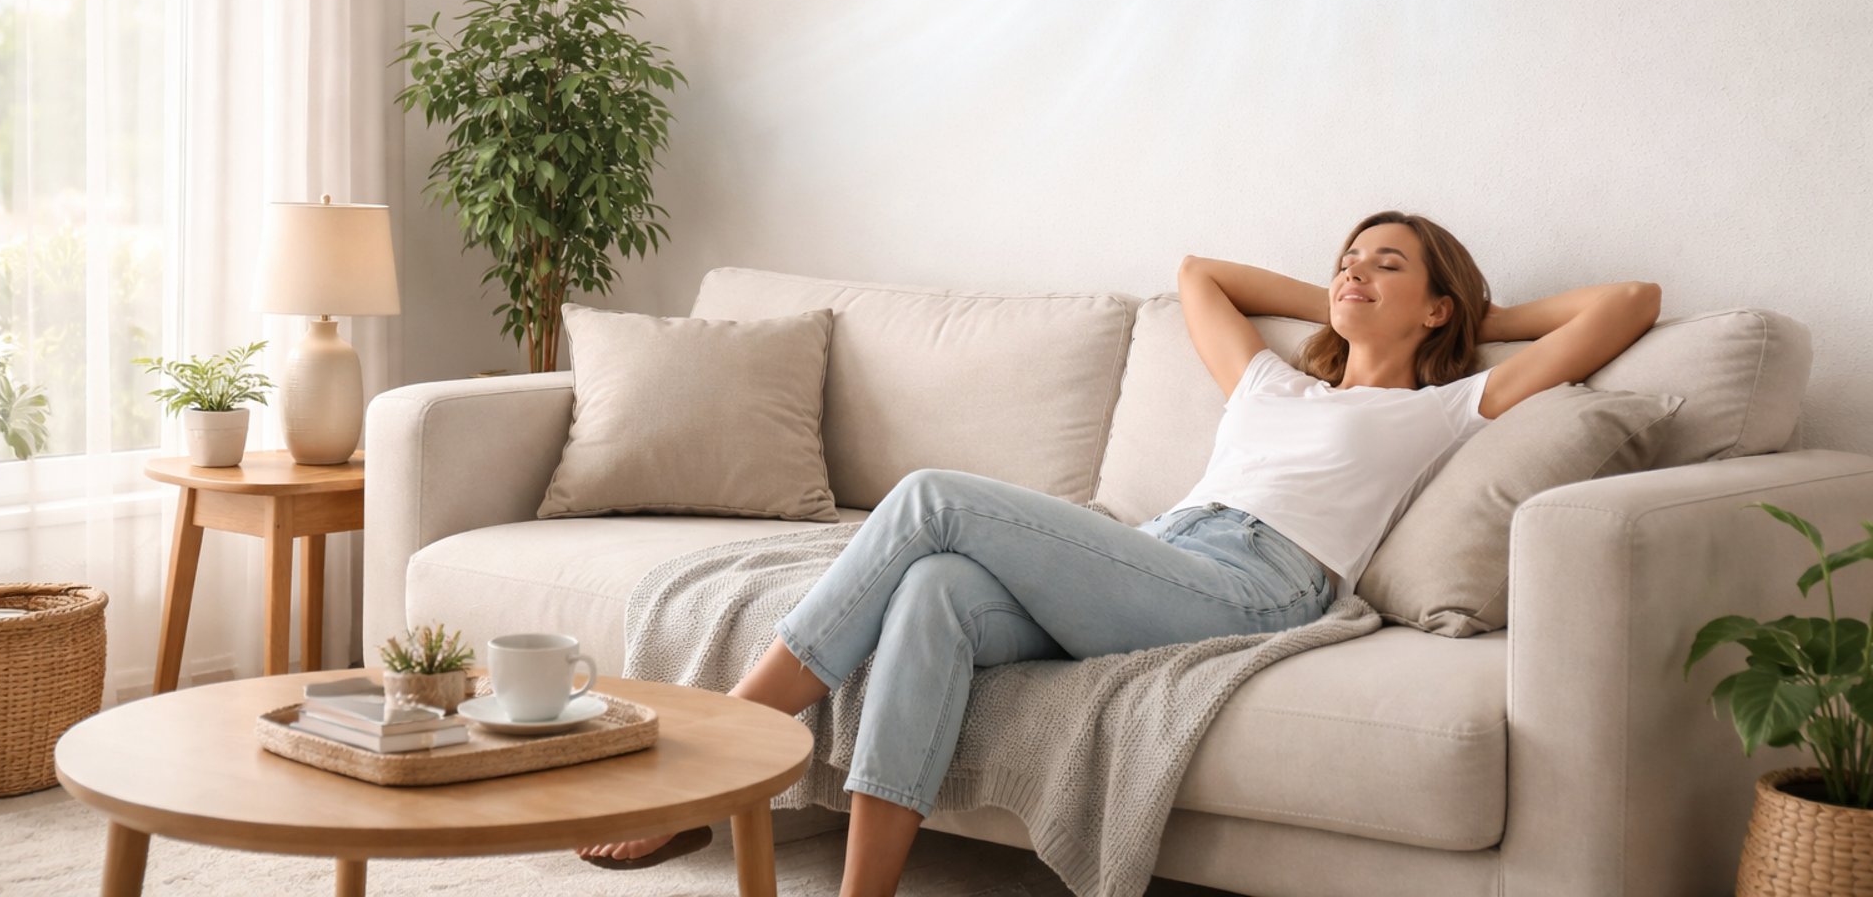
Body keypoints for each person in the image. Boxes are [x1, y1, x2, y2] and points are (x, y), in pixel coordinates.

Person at [580, 210, 1662, 895]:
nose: (1352, 273)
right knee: (935, 589)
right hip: (1162, 552)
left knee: (928, 500)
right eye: (1346, 259)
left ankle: (714, 767)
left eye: (1387, 264)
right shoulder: (1274, 381)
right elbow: (1201, 274)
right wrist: (1331, 293)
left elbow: (1629, 304)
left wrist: (1487, 310)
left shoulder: (1448, 402)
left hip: (1254, 580)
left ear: (1438, 305)